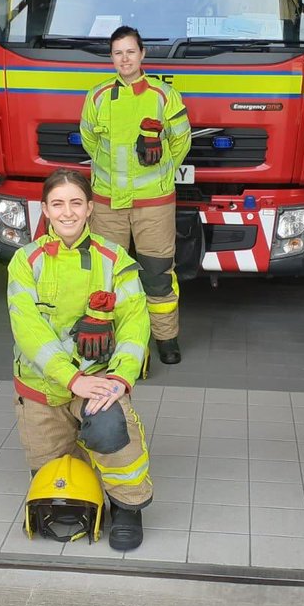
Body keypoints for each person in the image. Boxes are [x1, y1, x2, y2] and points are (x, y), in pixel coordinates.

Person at [8, 168, 153, 550]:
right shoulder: (25, 260)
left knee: (110, 432)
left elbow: (135, 323)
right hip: (42, 385)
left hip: (99, 381)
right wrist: (73, 379)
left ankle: (127, 507)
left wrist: (120, 378)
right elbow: (28, 329)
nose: (67, 212)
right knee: (52, 473)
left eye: (76, 203)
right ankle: (86, 491)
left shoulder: (115, 259)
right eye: (57, 204)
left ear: (90, 208)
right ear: (45, 209)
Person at [80, 25, 191, 365]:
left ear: (142, 54)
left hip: (153, 204)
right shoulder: (97, 96)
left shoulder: (163, 95)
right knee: (106, 276)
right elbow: (89, 140)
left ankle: (166, 339)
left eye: (130, 51)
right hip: (107, 203)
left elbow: (181, 140)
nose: (125, 59)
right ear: (111, 58)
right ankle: (109, 339)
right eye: (118, 53)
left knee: (157, 275)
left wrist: (161, 173)